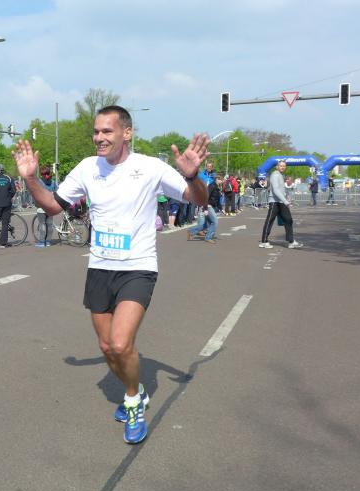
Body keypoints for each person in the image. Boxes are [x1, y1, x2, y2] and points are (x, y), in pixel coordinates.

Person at [12, 105, 208, 444]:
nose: (99, 137)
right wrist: (31, 179)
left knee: (120, 343)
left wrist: (193, 177)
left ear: (126, 133)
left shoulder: (150, 167)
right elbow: (53, 206)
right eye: (96, 131)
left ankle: (132, 400)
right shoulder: (88, 168)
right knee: (106, 347)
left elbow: (198, 200)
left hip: (138, 267)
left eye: (107, 131)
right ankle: (138, 389)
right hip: (100, 267)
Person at [259, 160, 302, 249]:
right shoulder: (275, 175)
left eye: (284, 166)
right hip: (274, 201)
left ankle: (291, 241)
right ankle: (264, 241)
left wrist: (285, 198)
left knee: (288, 220)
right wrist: (285, 201)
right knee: (270, 220)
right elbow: (275, 190)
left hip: (281, 202)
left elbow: (281, 190)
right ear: (277, 167)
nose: (282, 167)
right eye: (281, 166)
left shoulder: (280, 175)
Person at [187, 178, 219, 243]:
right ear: (217, 179)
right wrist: (205, 208)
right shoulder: (212, 186)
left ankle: (191, 231)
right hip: (208, 206)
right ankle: (208, 237)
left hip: (211, 206)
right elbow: (206, 196)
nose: (222, 181)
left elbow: (216, 199)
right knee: (215, 222)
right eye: (221, 180)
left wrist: (220, 208)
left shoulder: (216, 187)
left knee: (206, 225)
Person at [36, 166, 57, 246]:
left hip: (41, 206)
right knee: (49, 224)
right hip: (50, 206)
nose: (46, 176)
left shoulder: (39, 182)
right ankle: (48, 241)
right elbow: (57, 192)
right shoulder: (53, 182)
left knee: (42, 224)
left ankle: (42, 242)